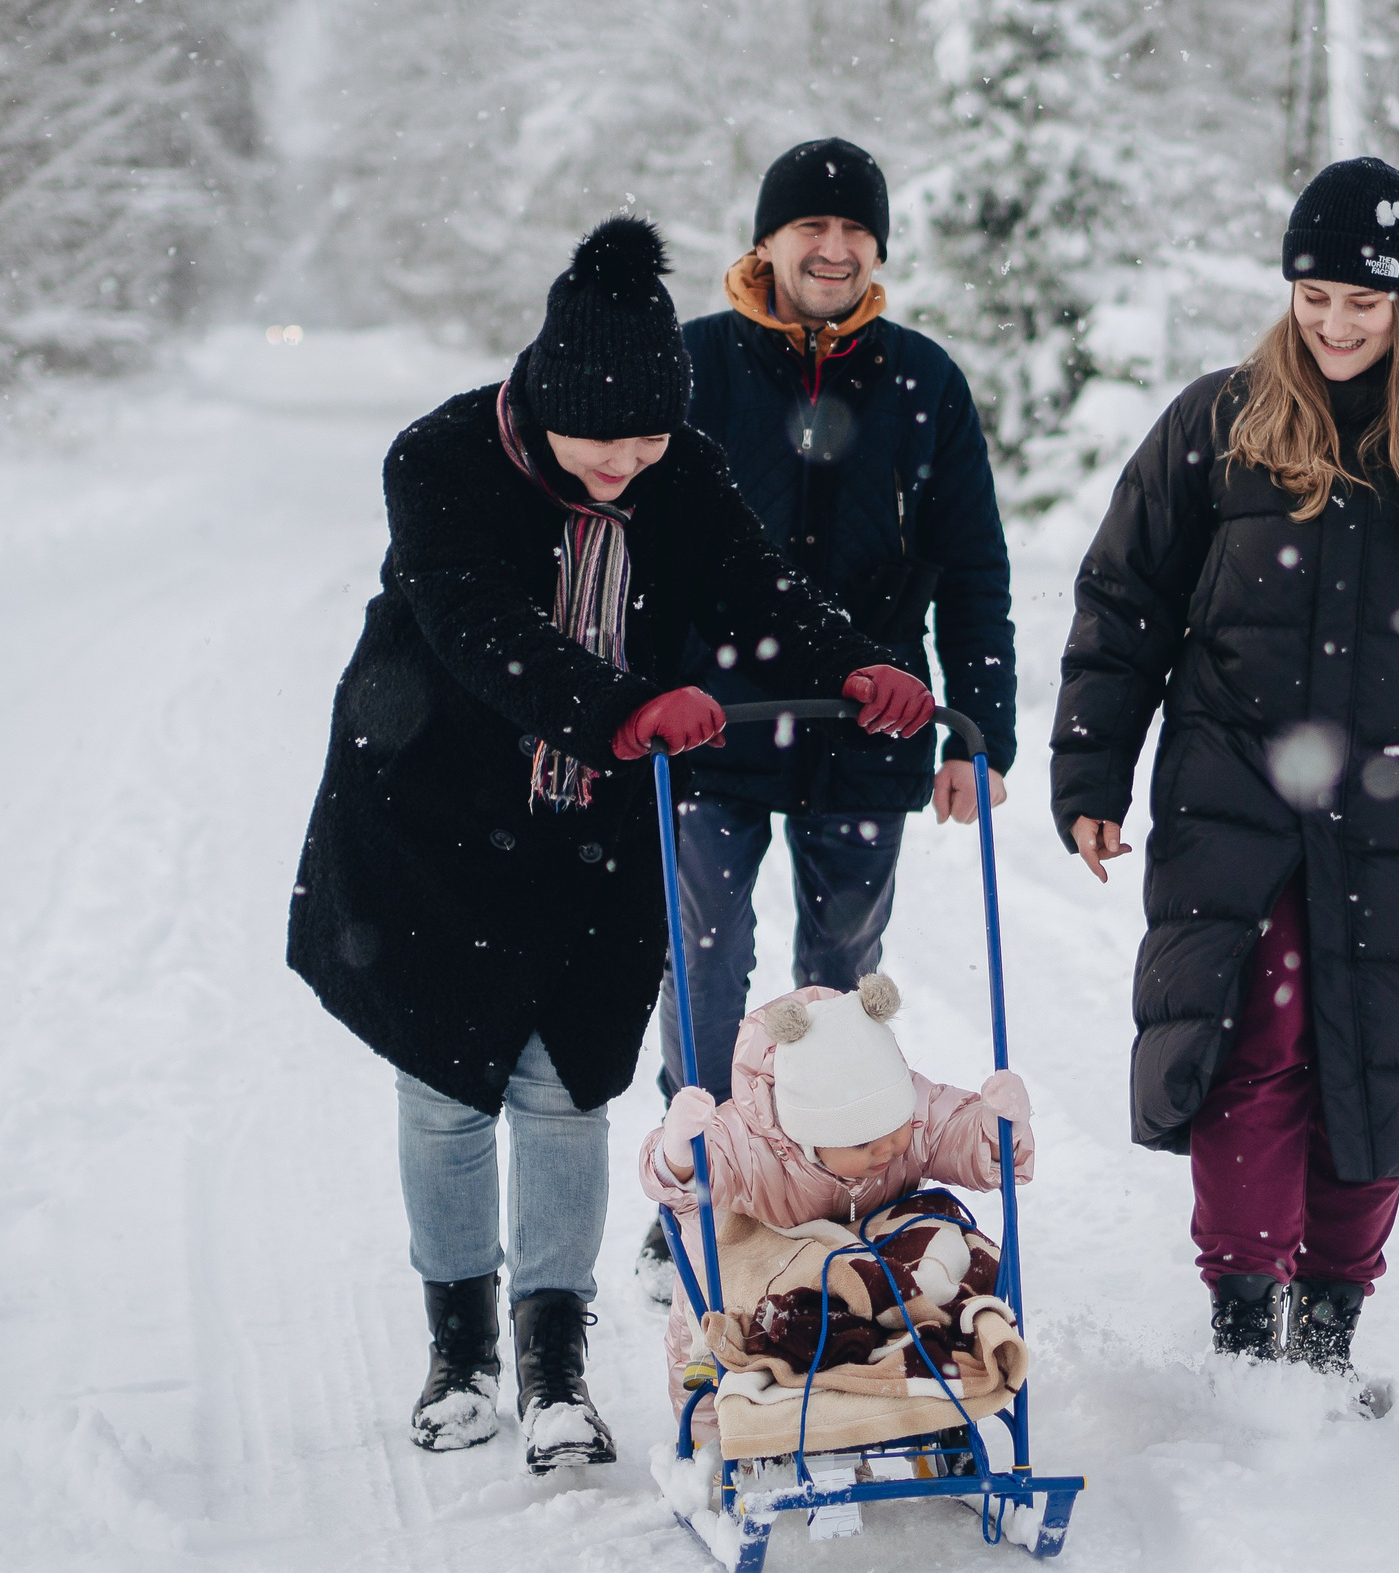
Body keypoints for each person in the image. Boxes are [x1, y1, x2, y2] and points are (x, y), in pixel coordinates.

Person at [286, 216, 936, 1473]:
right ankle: (459, 1354)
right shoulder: (439, 460)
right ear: (543, 402)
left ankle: (555, 1368)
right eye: (605, 440)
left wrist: (857, 661)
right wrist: (619, 706)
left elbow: (755, 583)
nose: (629, 466)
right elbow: (476, 628)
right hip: (433, 825)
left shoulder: (675, 470)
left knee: (569, 1086)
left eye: (650, 439)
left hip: (593, 832)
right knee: (447, 1089)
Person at [1048, 157, 1399, 1402]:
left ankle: (1331, 1323)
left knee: (1380, 1057)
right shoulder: (1221, 423)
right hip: (1235, 803)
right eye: (1313, 297)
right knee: (1259, 1044)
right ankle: (1245, 1320)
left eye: (1362, 301)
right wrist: (1092, 767)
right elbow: (1122, 605)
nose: (1336, 324)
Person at [637, 137, 1017, 1296]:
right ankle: (698, 1174)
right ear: (767, 241)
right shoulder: (694, 365)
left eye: (855, 234)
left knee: (840, 973)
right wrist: (640, 697)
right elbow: (638, 545)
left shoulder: (921, 379)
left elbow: (974, 563)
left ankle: (839, 1165)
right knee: (704, 960)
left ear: (877, 251)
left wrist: (978, 728)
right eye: (812, 228)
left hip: (870, 731)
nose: (835, 249)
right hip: (715, 730)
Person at [638, 975, 1034, 1449]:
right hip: (776, 1279)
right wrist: (679, 1153)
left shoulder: (910, 1109)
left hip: (866, 1273)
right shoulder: (750, 1141)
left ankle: (932, 1408)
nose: (887, 1148)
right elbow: (682, 1185)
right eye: (863, 1141)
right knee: (708, 1311)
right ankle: (719, 1441)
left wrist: (995, 1129)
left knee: (942, 1244)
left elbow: (953, 1130)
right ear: (808, 1135)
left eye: (896, 1126)